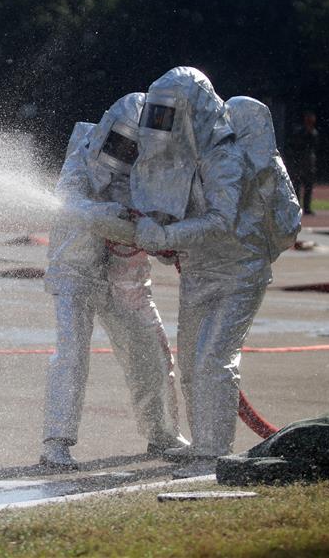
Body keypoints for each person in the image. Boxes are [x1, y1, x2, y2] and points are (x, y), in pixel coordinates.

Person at [131, 67, 282, 478]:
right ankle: (204, 444)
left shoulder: (224, 157)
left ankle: (214, 453)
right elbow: (180, 219)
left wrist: (166, 232)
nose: (161, 126)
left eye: (169, 114)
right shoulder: (181, 161)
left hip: (238, 272)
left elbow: (221, 221)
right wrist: (164, 242)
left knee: (214, 359)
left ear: (192, 110)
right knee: (193, 359)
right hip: (199, 271)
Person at [41, 92, 186, 469]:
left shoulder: (153, 174)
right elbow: (69, 202)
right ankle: (56, 442)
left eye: (135, 147)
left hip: (128, 278)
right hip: (76, 270)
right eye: (122, 143)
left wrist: (163, 236)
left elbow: (164, 223)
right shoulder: (82, 153)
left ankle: (162, 432)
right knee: (71, 356)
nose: (126, 153)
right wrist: (108, 214)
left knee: (151, 355)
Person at [285, 111, 319, 215]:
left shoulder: (314, 132)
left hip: (308, 162)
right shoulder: (299, 131)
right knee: (296, 186)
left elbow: (314, 146)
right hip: (298, 162)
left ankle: (307, 208)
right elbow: (295, 145)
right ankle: (296, 207)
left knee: (308, 186)